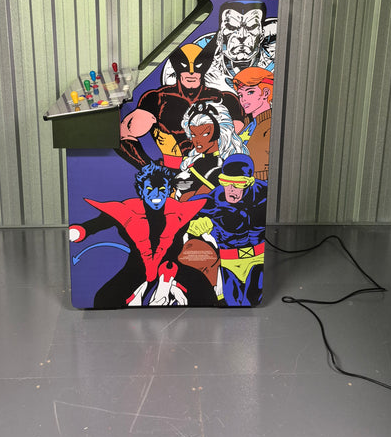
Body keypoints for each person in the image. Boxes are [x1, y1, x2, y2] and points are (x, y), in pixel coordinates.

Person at [69, 162, 215, 307]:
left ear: (169, 190)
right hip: (136, 269)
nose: (156, 195)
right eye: (150, 189)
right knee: (104, 299)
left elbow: (212, 211)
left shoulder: (181, 210)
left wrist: (205, 223)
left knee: (204, 292)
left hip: (171, 267)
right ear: (141, 190)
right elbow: (99, 223)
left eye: (162, 189)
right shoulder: (127, 210)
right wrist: (79, 231)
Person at [118, 42, 244, 170]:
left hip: (213, 170)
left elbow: (237, 139)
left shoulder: (223, 99)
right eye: (185, 66)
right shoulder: (157, 99)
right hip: (171, 170)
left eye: (197, 66)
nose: (191, 72)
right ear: (176, 65)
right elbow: (123, 135)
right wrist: (148, 169)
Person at [183, 154, 267, 306]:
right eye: (225, 182)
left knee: (251, 302)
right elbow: (180, 214)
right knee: (232, 303)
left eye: (238, 184)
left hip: (258, 259)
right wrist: (194, 224)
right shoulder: (214, 201)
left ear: (249, 182)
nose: (231, 189)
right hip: (229, 262)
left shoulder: (264, 194)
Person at [174, 100, 249, 200]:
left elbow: (194, 199)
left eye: (205, 134)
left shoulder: (222, 167)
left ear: (219, 133)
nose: (197, 140)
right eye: (193, 135)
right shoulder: (194, 161)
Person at [202, 1, 277, 91]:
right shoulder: (207, 66)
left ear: (261, 35)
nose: (242, 35)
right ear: (220, 36)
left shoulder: (275, 59)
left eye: (251, 27)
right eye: (232, 27)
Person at [233, 66, 273, 180]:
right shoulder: (247, 124)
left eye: (250, 92)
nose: (243, 99)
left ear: (265, 93)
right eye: (240, 95)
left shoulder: (271, 125)